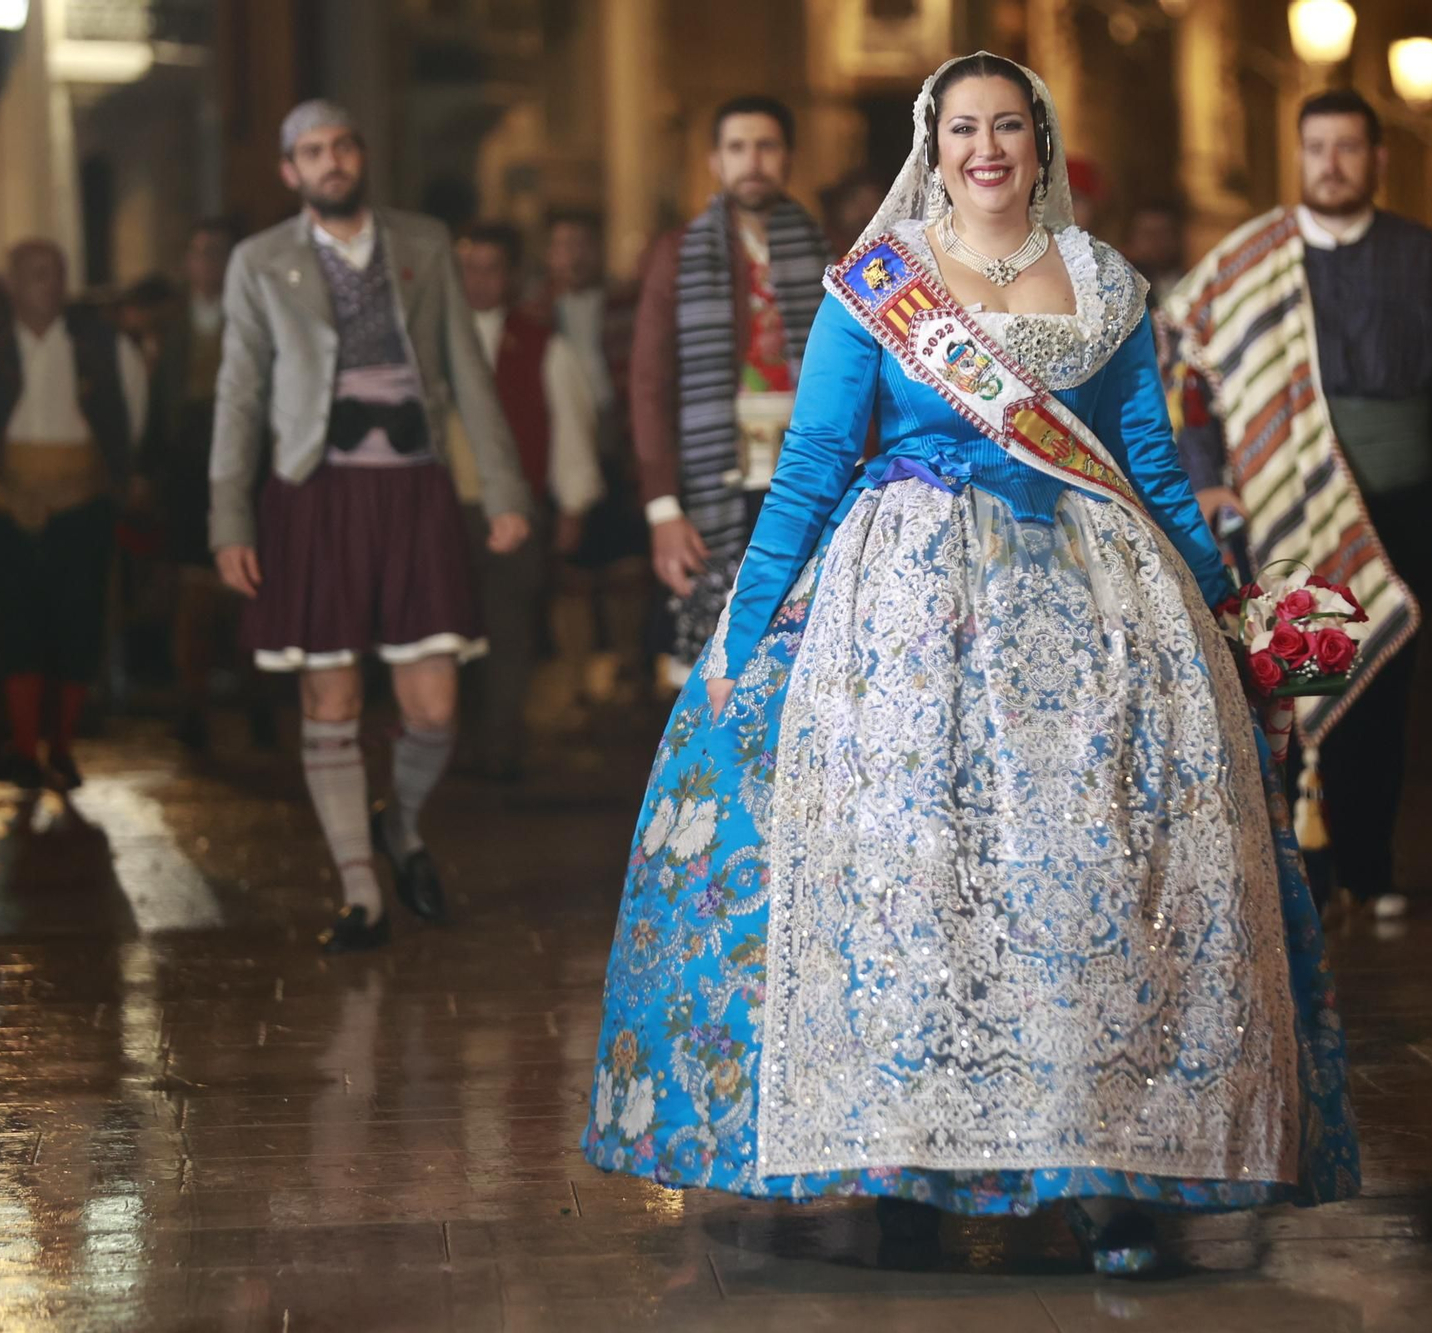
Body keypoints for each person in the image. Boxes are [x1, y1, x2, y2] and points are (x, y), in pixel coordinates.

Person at [582, 52, 1357, 1277]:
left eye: (1007, 127)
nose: (985, 149)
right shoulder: (875, 288)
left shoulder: (1102, 283)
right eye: (962, 131)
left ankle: (1105, 1174)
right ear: (929, 148)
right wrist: (743, 629)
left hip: (1093, 611)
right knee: (918, 872)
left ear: (1039, 144)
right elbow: (815, 456)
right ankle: (906, 1168)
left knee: (1088, 875)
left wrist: (1226, 613)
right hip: (907, 619)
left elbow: (1146, 461)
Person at [1163, 88, 1432, 927]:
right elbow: (1187, 365)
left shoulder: (1427, 257)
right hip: (1286, 501)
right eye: (1316, 147)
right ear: (1299, 155)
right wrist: (1207, 474)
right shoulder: (1251, 260)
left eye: (1348, 148)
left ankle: (1370, 862)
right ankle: (1300, 876)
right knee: (1288, 683)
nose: (1331, 163)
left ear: (1378, 160)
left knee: (1386, 691)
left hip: (1402, 504)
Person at [209, 101, 531, 953]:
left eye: (343, 145)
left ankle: (403, 823)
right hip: (313, 495)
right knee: (332, 695)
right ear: (291, 171)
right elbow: (239, 395)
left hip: (415, 490)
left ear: (362, 154)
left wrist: (504, 490)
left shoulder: (423, 241)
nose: (331, 161)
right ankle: (361, 892)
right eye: (312, 152)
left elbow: (468, 370)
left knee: (434, 704)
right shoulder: (259, 261)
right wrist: (228, 516)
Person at [629, 94, 830, 690]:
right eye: (738, 148)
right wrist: (663, 507)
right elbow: (649, 383)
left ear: (789, 157)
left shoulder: (830, 249)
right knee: (713, 666)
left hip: (807, 471)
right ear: (715, 162)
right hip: (713, 478)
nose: (754, 161)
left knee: (804, 651)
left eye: (766, 146)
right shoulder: (676, 253)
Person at [0, 240, 148, 790]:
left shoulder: (100, 344)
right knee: (18, 623)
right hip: (6, 506)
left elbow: (130, 409)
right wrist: (0, 476)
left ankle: (63, 743)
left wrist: (97, 476)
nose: (48, 286)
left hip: (82, 505)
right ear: (12, 283)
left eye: (56, 274)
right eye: (35, 275)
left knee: (77, 622)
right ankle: (26, 745)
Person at [450, 221, 603, 780]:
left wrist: (571, 505)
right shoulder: (438, 340)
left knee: (510, 628)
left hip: (515, 506)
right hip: (448, 510)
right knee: (450, 629)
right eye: (469, 268)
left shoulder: (541, 344)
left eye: (490, 268)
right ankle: (457, 741)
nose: (478, 280)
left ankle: (501, 745)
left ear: (510, 275)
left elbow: (569, 426)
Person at [142, 217, 274, 752]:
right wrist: (149, 471)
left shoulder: (256, 324)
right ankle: (191, 705)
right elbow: (157, 410)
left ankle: (258, 703)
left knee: (248, 593)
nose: (210, 265)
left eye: (220, 253)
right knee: (193, 597)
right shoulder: (172, 332)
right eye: (201, 254)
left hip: (244, 468)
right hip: (188, 475)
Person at [541, 207, 651, 706]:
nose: (573, 256)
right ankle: (575, 687)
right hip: (561, 454)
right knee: (572, 577)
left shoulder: (626, 304)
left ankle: (626, 685)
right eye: (563, 245)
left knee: (627, 571)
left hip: (620, 448)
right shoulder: (537, 312)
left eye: (582, 244)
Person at [1122, 197, 1187, 307]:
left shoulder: (1190, 285)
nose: (1155, 240)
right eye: (1147, 233)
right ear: (1131, 239)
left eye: (1163, 233)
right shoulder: (1119, 289)